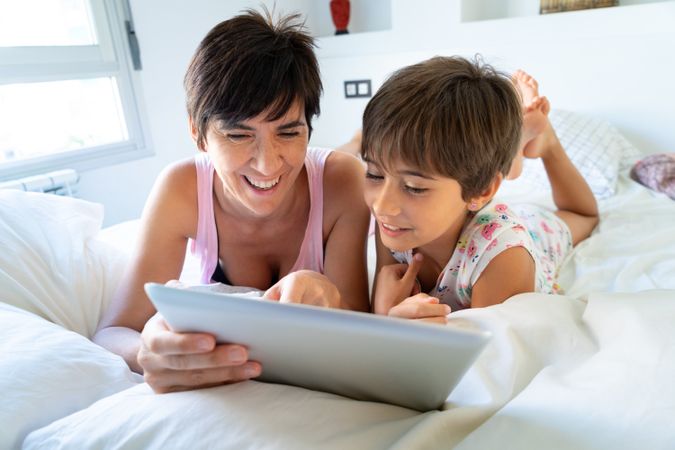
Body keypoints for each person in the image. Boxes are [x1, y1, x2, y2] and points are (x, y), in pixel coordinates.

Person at [93, 9, 370, 393]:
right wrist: (147, 350)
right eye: (239, 136)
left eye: (289, 132)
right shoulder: (181, 189)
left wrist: (332, 297)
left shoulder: (345, 183)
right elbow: (110, 333)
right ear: (198, 133)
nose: (266, 162)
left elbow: (362, 326)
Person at [361, 56, 599, 323]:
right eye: (374, 174)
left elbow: (490, 355)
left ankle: (547, 142)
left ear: (482, 191)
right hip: (472, 210)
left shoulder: (504, 257)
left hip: (527, 232)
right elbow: (382, 314)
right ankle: (515, 146)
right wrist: (382, 312)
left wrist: (387, 317)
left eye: (414, 188)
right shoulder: (393, 223)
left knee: (583, 215)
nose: (381, 205)